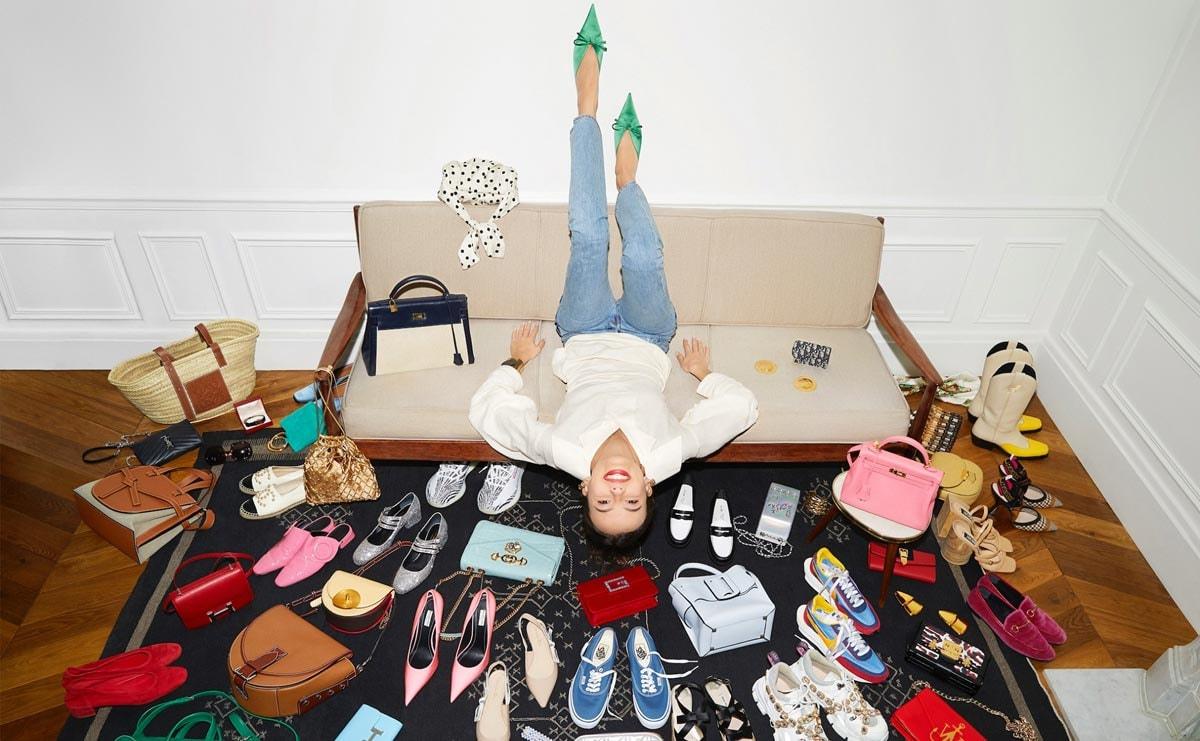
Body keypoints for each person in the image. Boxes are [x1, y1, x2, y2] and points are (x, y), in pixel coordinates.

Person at [467, 6, 758, 557]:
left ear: (585, 488)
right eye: (632, 502)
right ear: (652, 489)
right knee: (644, 255)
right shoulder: (670, 453)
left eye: (603, 502)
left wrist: (516, 362)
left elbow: (489, 414)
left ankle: (585, 110)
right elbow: (741, 410)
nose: (616, 492)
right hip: (650, 338)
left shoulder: (562, 450)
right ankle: (628, 180)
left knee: (589, 237)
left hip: (584, 331)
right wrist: (704, 374)